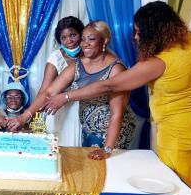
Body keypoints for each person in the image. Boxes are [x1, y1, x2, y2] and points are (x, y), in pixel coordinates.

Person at [45, 1, 191, 195]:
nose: (136, 37)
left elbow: (110, 85)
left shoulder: (159, 62)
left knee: (178, 187)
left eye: (139, 31)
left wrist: (66, 96)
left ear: (155, 30)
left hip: (181, 129)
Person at [8, 20, 136, 153]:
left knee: (108, 170)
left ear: (105, 41)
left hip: (113, 134)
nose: (85, 44)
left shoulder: (116, 69)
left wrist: (107, 149)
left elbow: (117, 114)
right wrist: (24, 116)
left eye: (91, 39)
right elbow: (49, 92)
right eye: (83, 39)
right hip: (87, 130)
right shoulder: (77, 65)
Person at [6, 16, 84, 145]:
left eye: (73, 35)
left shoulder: (90, 53)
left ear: (81, 34)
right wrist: (27, 116)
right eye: (64, 37)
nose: (69, 40)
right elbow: (45, 92)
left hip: (87, 112)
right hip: (62, 113)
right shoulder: (55, 58)